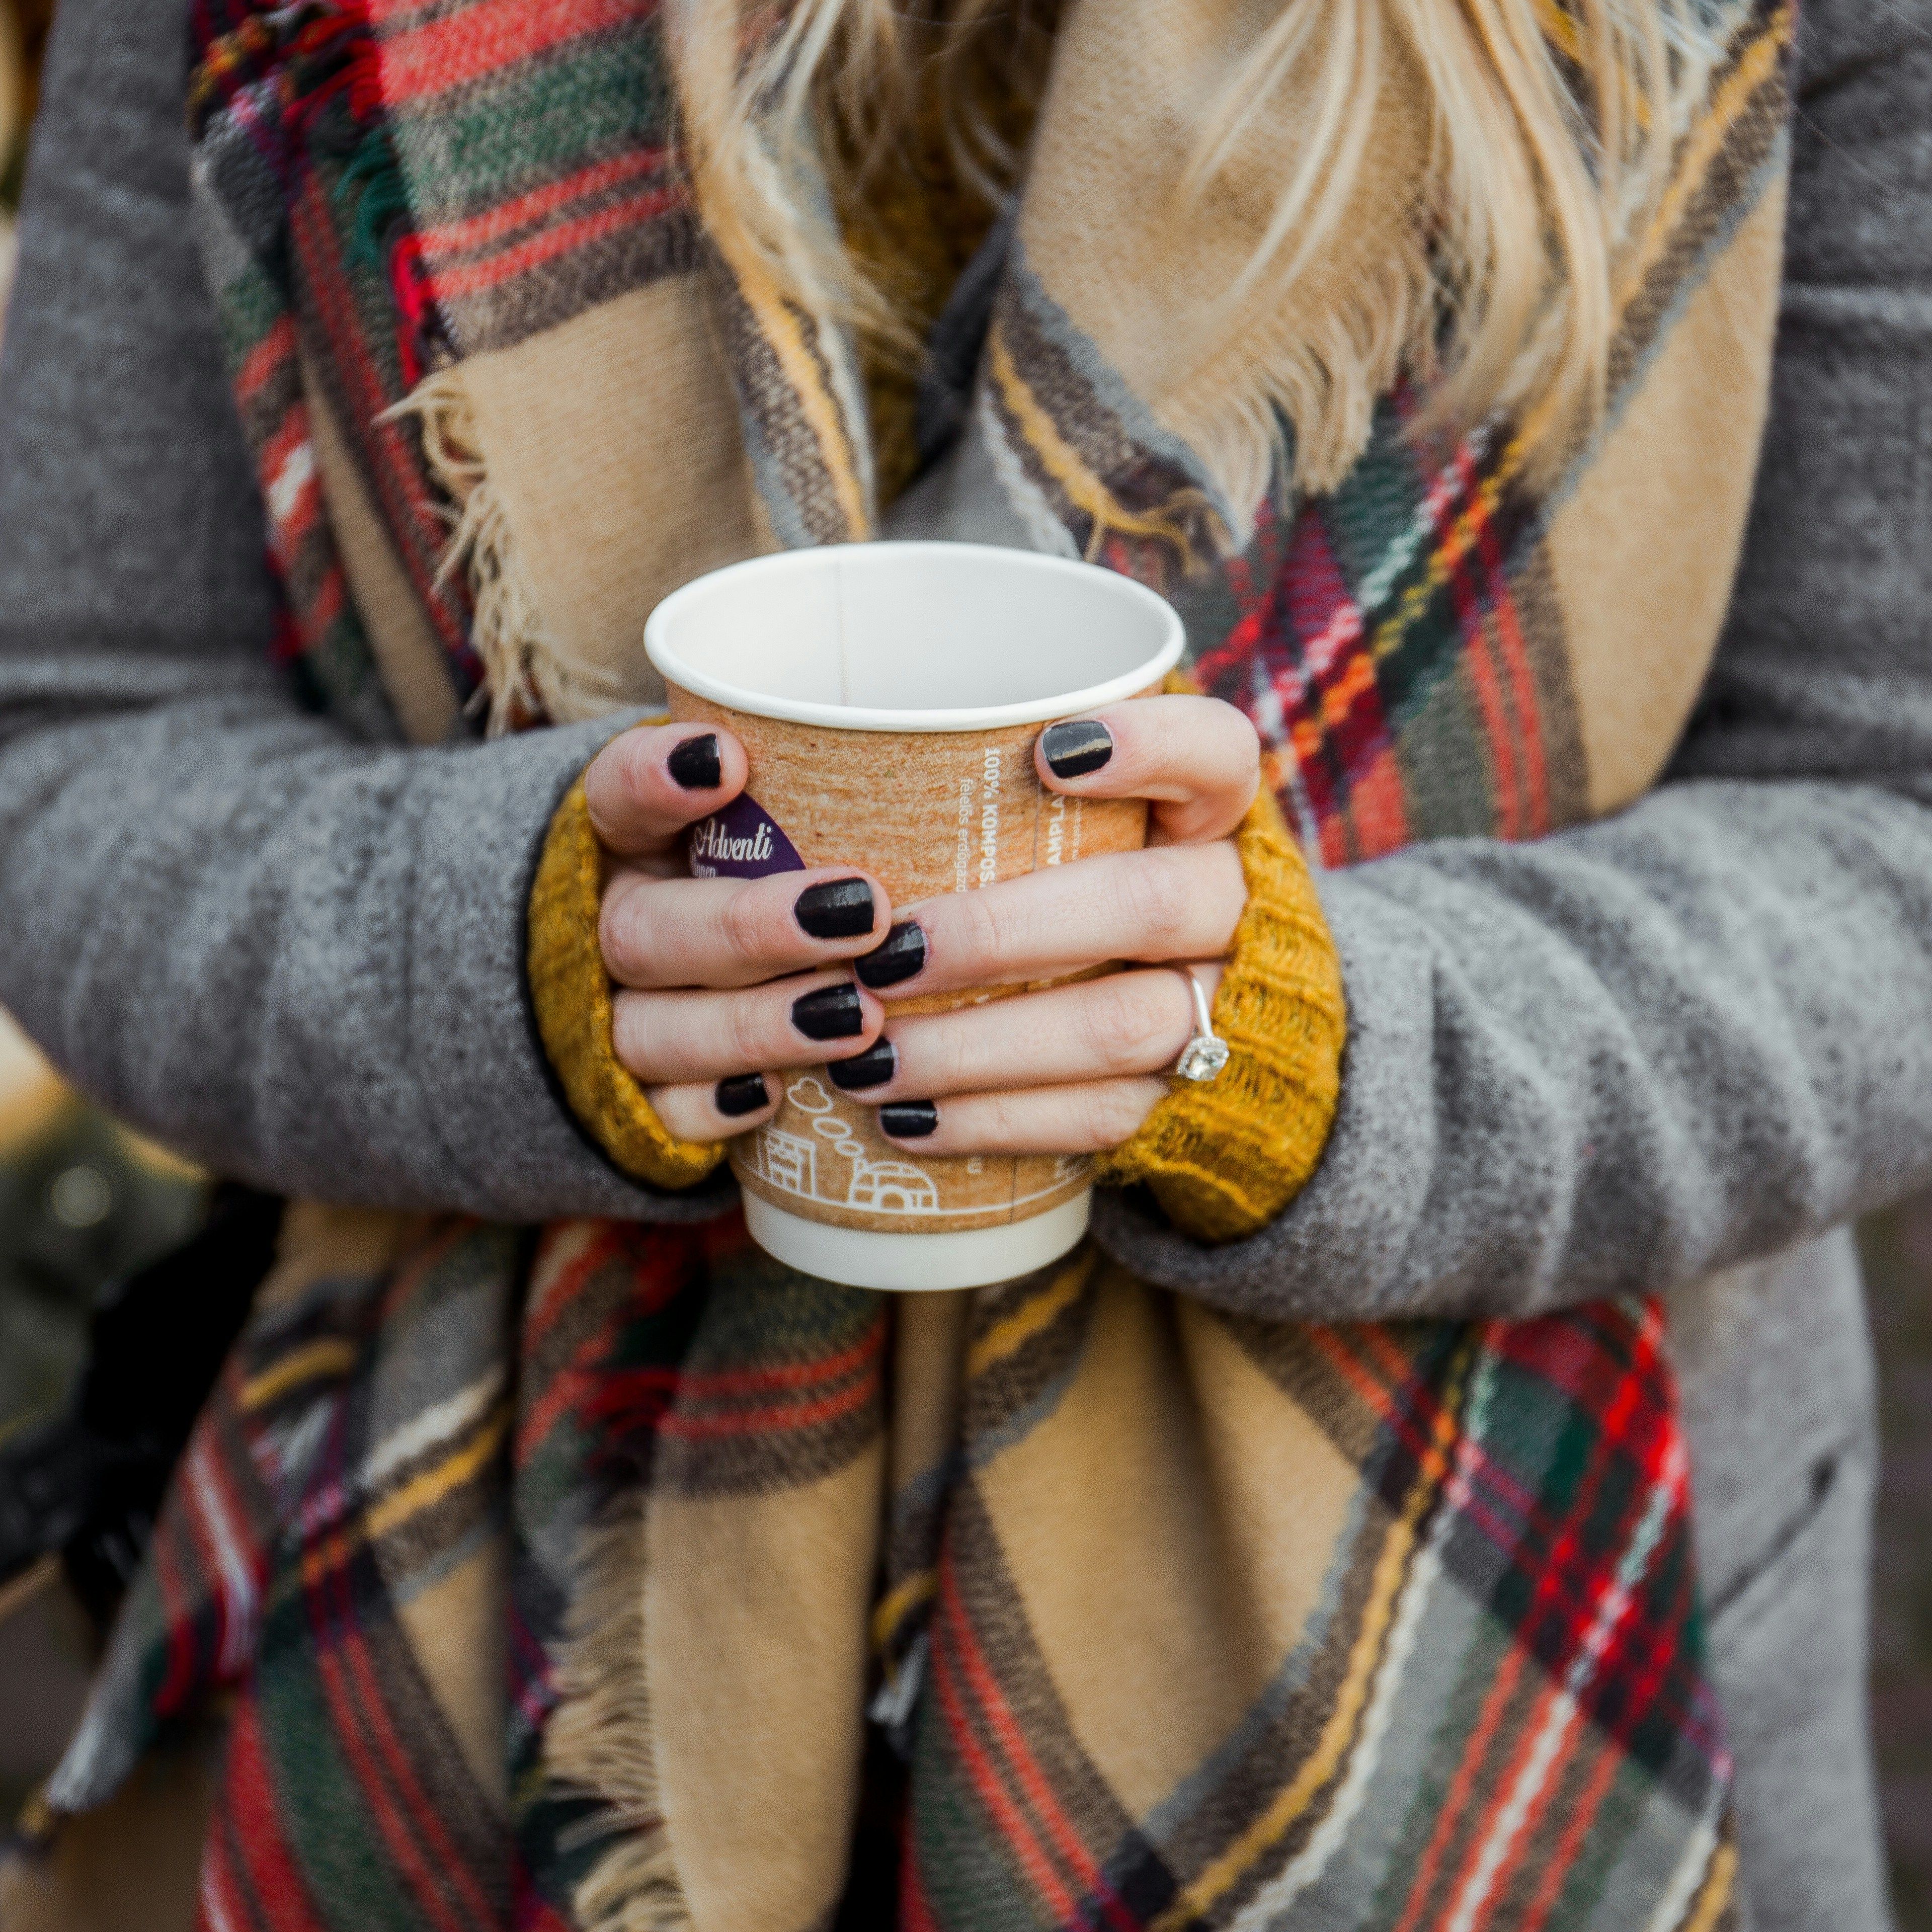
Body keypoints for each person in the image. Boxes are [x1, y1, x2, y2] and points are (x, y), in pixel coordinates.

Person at [0, 0, 1923, 1923]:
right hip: (500, 1619)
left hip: (1500, 1606)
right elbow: (72, 743)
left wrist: (1322, 1046)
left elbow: (1890, 836)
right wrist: (520, 961)